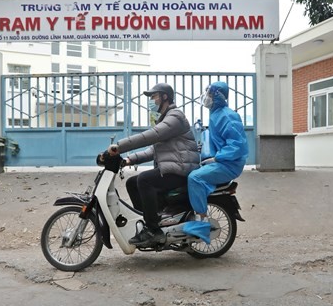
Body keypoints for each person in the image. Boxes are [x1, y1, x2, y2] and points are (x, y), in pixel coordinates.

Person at [107, 83, 200, 246]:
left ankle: (153, 230)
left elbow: (150, 136)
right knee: (132, 182)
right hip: (174, 168)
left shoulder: (175, 117)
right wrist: (129, 160)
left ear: (165, 97)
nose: (152, 100)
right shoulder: (166, 119)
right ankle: (152, 220)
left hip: (181, 169)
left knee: (144, 179)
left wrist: (119, 146)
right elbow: (153, 150)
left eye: (154, 96)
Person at [185, 81, 249, 243]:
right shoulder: (216, 114)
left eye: (210, 94)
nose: (206, 97)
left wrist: (218, 157)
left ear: (218, 96)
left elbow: (238, 145)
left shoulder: (227, 116)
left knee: (195, 178)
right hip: (221, 161)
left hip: (228, 165)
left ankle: (203, 223)